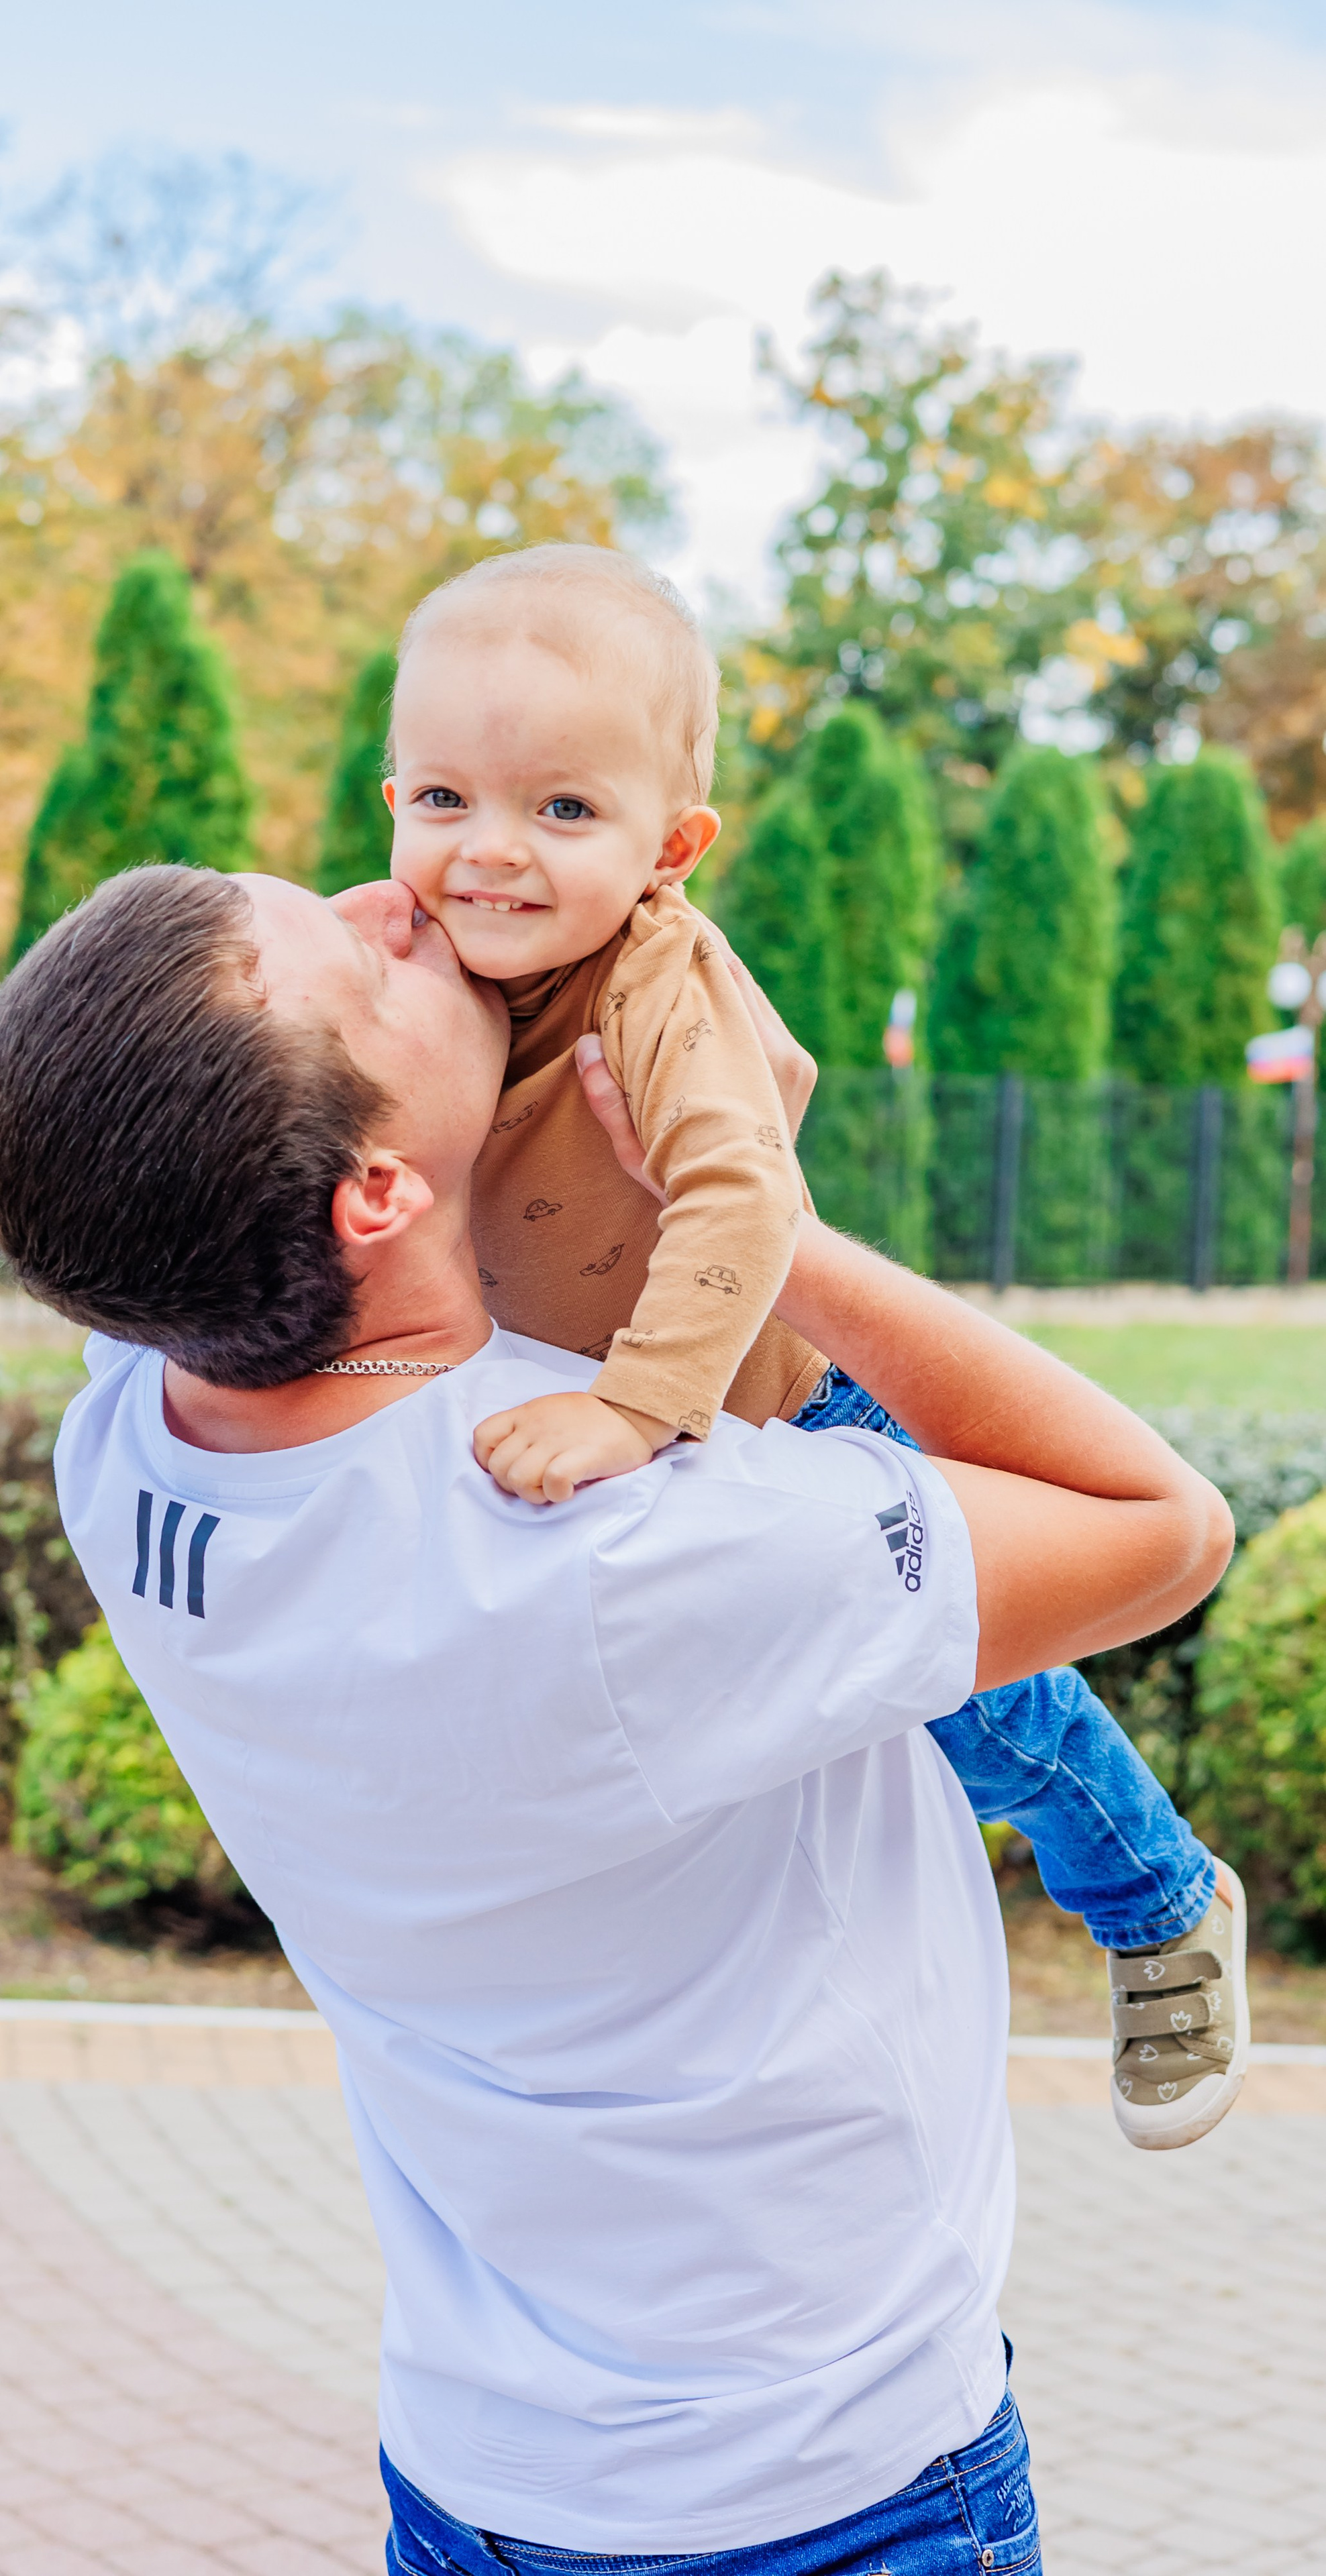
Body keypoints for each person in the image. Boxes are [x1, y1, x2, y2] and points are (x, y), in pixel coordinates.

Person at [0, 861, 1233, 2569]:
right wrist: (761, 1223)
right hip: (825, 2485)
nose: (399, 900)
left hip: (476, 2475)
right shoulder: (601, 1546)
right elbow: (1161, 1528)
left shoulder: (130, 1445)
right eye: (361, 961)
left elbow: (169, 1170)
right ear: (373, 1196)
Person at [384, 542, 1247, 2150]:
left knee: (977, 1705)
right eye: (441, 798)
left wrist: (635, 1407)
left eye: (561, 809)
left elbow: (741, 1197)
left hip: (775, 1413)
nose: (488, 850)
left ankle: (1157, 1898)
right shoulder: (407, 950)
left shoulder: (661, 982)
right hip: (581, 1417)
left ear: (669, 847)